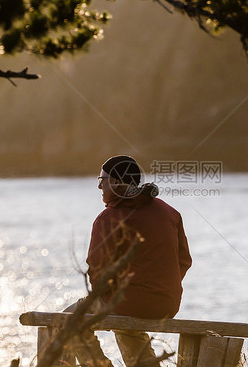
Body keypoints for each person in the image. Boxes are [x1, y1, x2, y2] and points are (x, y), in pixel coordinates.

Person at [65, 155, 192, 367]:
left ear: (115, 182)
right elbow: (184, 261)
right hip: (168, 303)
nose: (99, 187)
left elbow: (97, 272)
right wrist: (162, 288)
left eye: (101, 181)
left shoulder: (108, 218)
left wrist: (111, 298)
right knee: (129, 330)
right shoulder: (170, 212)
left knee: (66, 321)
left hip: (129, 302)